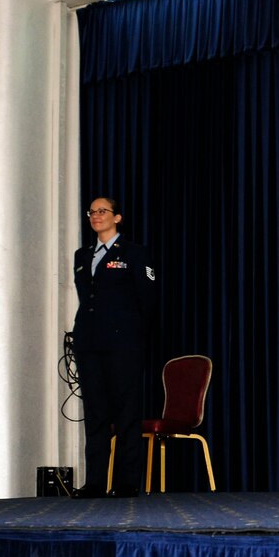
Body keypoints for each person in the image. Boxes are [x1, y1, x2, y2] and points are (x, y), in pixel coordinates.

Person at [71, 196, 158, 498]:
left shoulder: (134, 253)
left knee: (125, 412)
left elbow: (147, 299)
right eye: (92, 212)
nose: (96, 216)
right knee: (95, 413)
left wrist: (134, 336)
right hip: (89, 342)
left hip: (123, 343)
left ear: (117, 217)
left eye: (102, 211)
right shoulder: (82, 255)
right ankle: (95, 482)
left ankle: (126, 481)